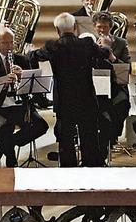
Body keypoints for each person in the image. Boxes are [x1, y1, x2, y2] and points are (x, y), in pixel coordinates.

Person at [30, 12, 110, 167]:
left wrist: (32, 54)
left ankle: (68, 170)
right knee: (89, 137)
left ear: (57, 30)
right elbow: (104, 54)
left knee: (66, 139)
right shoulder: (86, 43)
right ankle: (91, 167)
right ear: (74, 27)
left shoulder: (52, 46)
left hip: (64, 100)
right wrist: (106, 45)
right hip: (86, 98)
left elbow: (33, 56)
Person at [0, 28, 48, 167]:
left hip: (19, 104)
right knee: (4, 126)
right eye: (5, 43)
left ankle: (5, 146)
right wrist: (3, 80)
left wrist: (23, 76)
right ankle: (11, 160)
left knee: (41, 126)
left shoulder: (21, 59)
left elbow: (33, 88)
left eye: (11, 43)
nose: (9, 47)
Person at [92, 11, 131, 146]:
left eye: (105, 27)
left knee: (122, 104)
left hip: (116, 86)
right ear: (94, 27)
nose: (102, 30)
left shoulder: (121, 43)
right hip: (95, 86)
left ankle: (111, 137)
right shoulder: (89, 43)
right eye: (99, 27)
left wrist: (112, 56)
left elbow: (128, 68)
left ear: (111, 27)